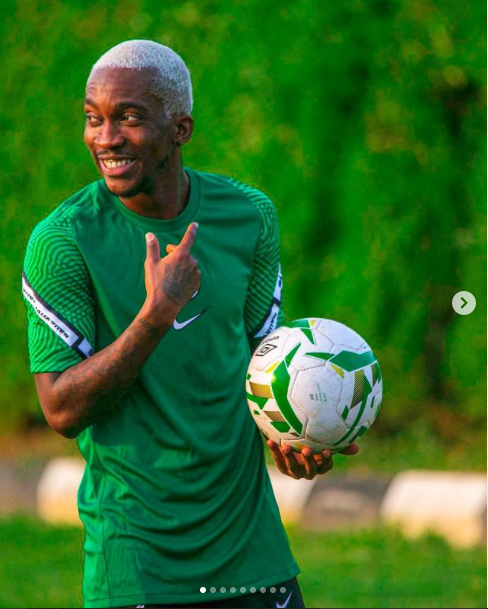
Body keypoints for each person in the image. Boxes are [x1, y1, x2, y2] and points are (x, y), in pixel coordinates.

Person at [22, 40, 358, 609]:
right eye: (93, 119)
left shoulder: (249, 217)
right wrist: (156, 314)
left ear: (180, 128)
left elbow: (261, 366)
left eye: (128, 118)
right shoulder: (62, 242)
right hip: (139, 567)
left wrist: (295, 433)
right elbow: (60, 408)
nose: (105, 139)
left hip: (255, 559)